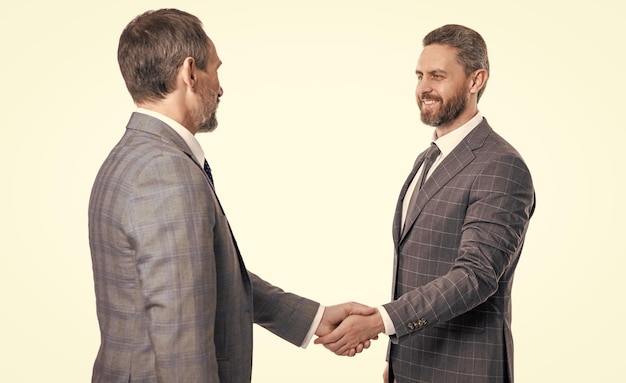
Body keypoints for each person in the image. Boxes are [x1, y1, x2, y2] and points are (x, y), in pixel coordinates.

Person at [88, 8, 374, 383]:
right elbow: (181, 343)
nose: (220, 87)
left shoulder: (131, 155)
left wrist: (313, 318)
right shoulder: (165, 173)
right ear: (190, 72)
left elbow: (201, 275)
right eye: (215, 70)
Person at [315, 24, 536, 382]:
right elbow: (417, 271)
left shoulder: (500, 165)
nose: (423, 88)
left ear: (476, 80)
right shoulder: (429, 158)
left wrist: (381, 322)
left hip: (464, 371)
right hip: (412, 366)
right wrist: (397, 360)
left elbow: (475, 276)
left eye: (437, 76)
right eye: (420, 75)